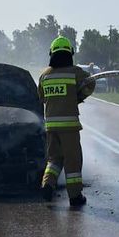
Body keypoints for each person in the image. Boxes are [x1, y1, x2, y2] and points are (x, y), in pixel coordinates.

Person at [38, 36, 96, 206]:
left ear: (52, 54)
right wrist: (77, 97)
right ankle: (75, 196)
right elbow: (90, 83)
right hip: (69, 126)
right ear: (70, 53)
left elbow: (41, 98)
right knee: (73, 160)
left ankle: (47, 184)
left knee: (54, 159)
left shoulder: (44, 75)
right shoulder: (75, 72)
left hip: (51, 125)